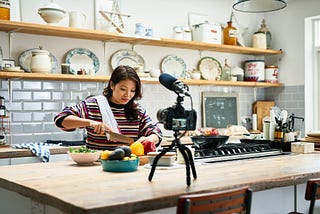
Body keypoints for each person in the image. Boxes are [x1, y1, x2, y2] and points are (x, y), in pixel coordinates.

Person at [54, 65, 162, 152]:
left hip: (128, 164)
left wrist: (150, 139)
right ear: (112, 85)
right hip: (96, 166)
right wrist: (91, 123)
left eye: (132, 91)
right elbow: (61, 119)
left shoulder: (137, 111)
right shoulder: (93, 105)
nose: (128, 95)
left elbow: (156, 132)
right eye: (123, 89)